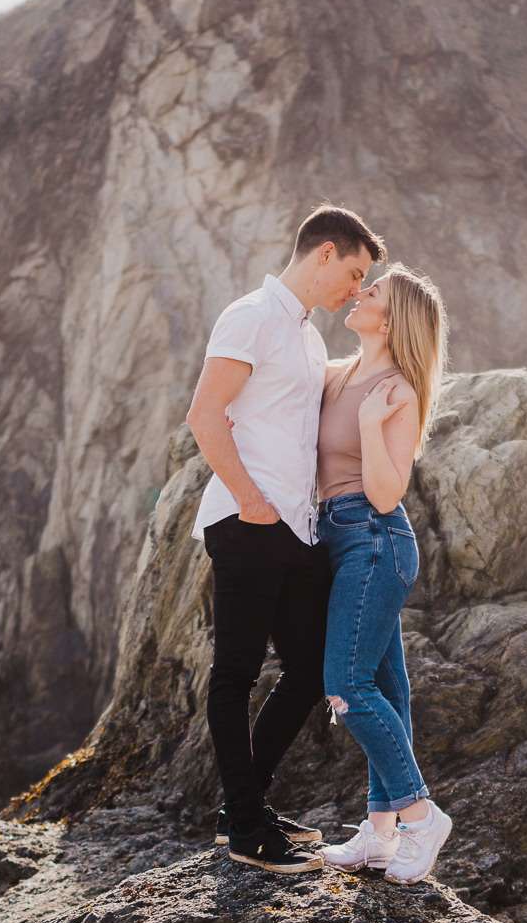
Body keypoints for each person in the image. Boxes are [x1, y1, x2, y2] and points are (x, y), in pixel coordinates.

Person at [185, 203, 387, 874]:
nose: (354, 289)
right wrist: (250, 502)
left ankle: (242, 809)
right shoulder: (251, 315)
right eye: (353, 271)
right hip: (246, 520)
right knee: (236, 673)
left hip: (292, 529)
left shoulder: (303, 335)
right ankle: (244, 829)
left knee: (307, 671)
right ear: (321, 253)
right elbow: (204, 415)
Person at [315, 265, 453, 885]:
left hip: (374, 541)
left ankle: (422, 817)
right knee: (386, 691)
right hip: (339, 540)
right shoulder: (338, 374)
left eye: (373, 292)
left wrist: (372, 425)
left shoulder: (395, 391)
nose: (360, 293)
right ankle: (379, 833)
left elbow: (384, 491)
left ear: (393, 319)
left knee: (345, 684)